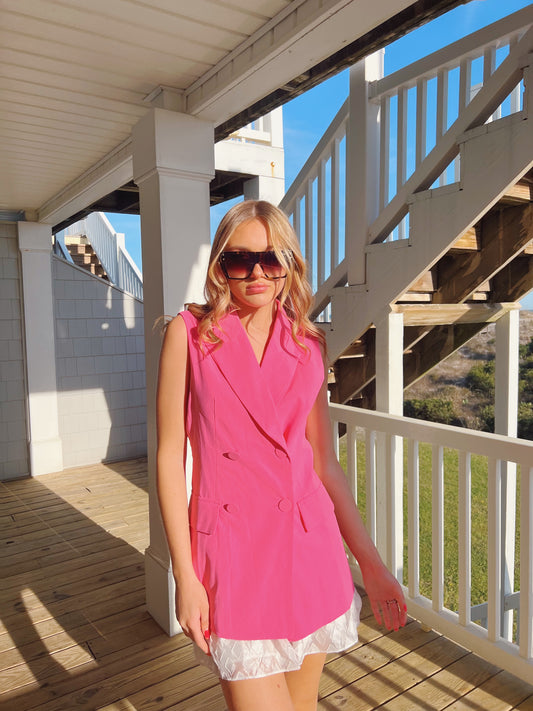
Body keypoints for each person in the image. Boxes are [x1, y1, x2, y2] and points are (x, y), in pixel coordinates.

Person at [156, 200, 407, 711]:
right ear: (221, 265)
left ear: (289, 264)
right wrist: (184, 575)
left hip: (307, 552)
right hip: (232, 557)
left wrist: (372, 564)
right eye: (239, 259)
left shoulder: (308, 344)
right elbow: (168, 458)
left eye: (270, 259)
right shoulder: (189, 334)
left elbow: (324, 464)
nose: (256, 273)